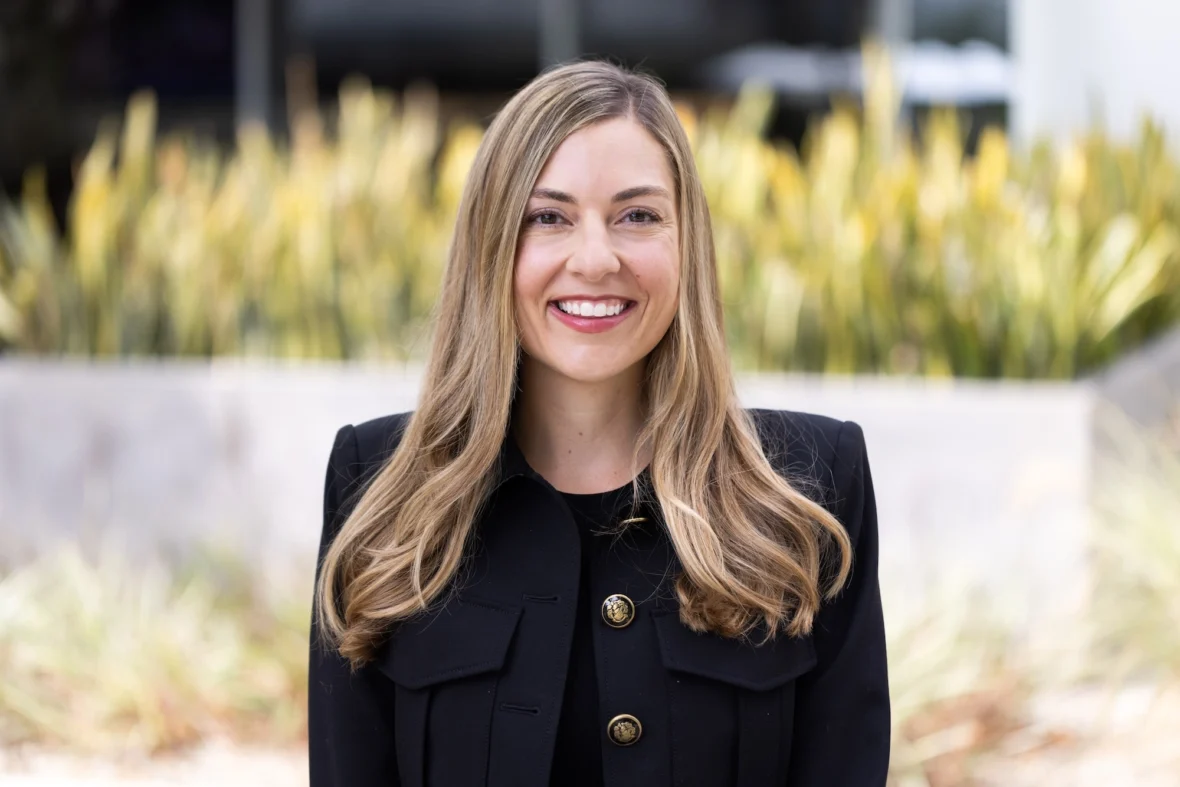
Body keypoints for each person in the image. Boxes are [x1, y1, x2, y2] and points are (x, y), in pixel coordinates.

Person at [309, 60, 889, 787]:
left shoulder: (809, 488)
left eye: (638, 215)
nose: (595, 258)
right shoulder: (379, 484)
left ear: (688, 244)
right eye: (548, 217)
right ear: (492, 246)